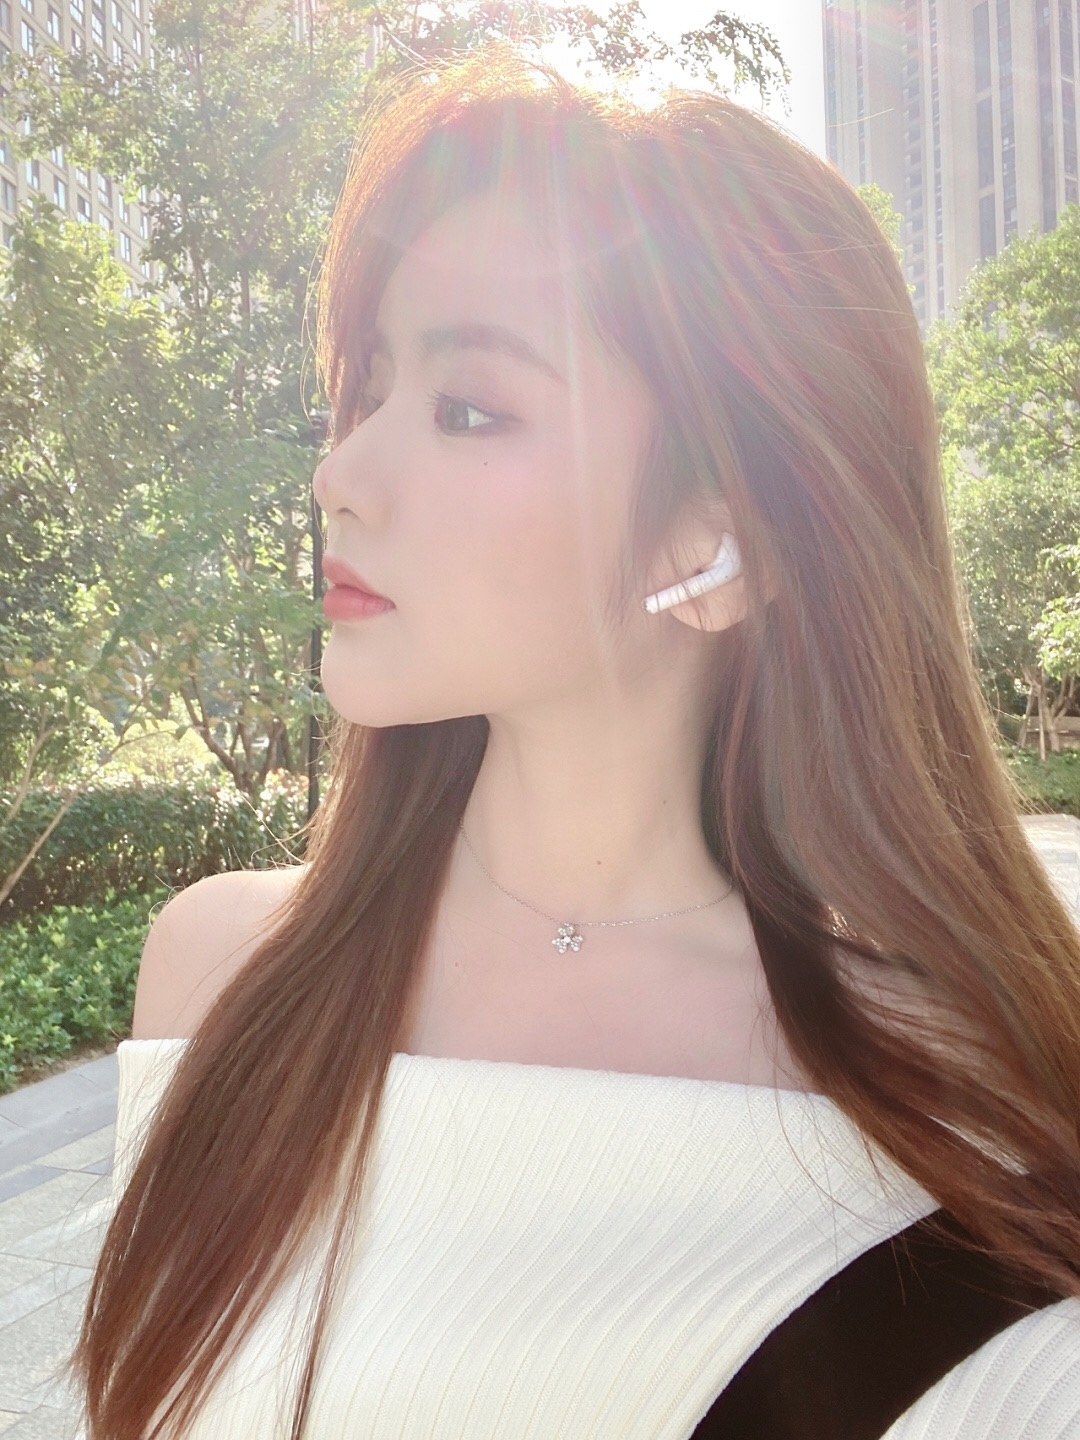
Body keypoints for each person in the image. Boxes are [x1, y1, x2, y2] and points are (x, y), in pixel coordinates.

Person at [69, 48, 1080, 1440]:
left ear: (718, 534)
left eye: (468, 409)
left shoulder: (955, 1101)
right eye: (368, 390)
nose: (339, 474)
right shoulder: (222, 973)